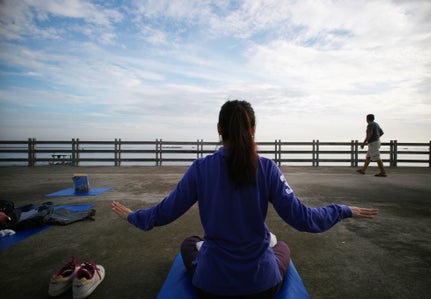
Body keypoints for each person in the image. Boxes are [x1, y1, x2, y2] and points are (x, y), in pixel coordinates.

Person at [112, 100, 379, 299]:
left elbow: (165, 212)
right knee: (282, 246)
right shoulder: (267, 168)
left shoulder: (201, 169)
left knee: (189, 243)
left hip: (211, 286)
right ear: (252, 129)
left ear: (219, 128)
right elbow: (304, 219)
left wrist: (134, 216)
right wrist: (343, 210)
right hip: (262, 286)